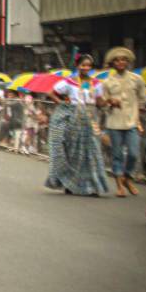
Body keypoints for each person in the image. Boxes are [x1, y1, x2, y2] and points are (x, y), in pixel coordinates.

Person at [44, 54, 108, 196]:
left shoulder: (96, 83)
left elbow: (99, 102)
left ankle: (93, 186)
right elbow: (51, 93)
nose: (86, 68)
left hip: (91, 120)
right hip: (74, 119)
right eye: (83, 65)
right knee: (74, 152)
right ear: (78, 66)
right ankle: (70, 183)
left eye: (89, 66)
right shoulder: (69, 82)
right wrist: (61, 103)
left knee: (92, 152)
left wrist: (110, 102)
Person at [101, 46, 146, 197]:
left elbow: (142, 99)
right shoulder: (107, 82)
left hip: (132, 123)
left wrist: (138, 118)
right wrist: (109, 103)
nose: (120, 62)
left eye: (123, 60)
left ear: (127, 62)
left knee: (133, 154)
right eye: (117, 60)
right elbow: (103, 105)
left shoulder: (137, 79)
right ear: (113, 63)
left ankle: (127, 178)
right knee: (117, 155)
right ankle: (120, 186)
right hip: (114, 123)